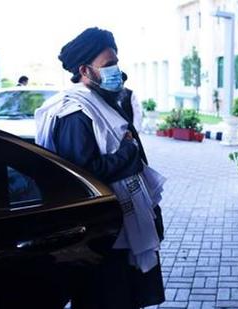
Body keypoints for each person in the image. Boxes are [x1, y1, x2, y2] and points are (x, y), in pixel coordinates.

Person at [34, 27, 165, 309]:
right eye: (108, 65)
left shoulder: (102, 100)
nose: (116, 70)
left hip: (120, 227)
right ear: (84, 69)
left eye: (116, 62)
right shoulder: (74, 112)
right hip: (102, 236)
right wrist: (128, 152)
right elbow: (84, 174)